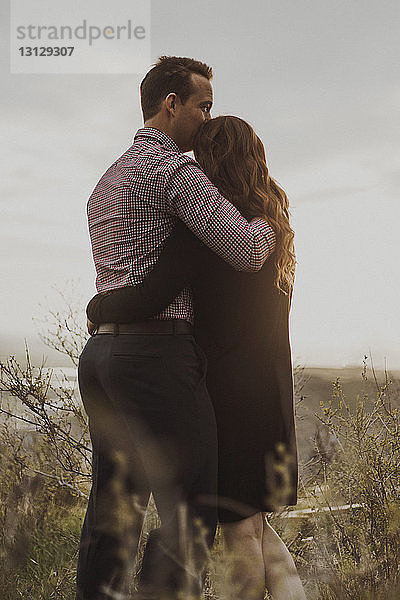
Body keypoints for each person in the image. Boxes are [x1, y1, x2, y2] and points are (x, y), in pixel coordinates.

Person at [77, 57, 277, 600]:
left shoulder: (107, 179)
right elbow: (248, 249)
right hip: (157, 359)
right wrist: (266, 204)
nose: (204, 117)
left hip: (100, 358)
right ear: (172, 104)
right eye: (201, 105)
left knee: (113, 507)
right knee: (189, 506)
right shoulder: (173, 171)